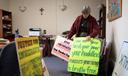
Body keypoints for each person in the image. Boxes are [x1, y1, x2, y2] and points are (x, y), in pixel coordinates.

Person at [67, 5, 100, 76]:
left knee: (85, 56)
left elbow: (97, 30)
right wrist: (68, 37)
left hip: (87, 40)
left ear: (89, 13)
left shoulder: (93, 19)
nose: (85, 15)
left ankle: (85, 71)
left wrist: (90, 36)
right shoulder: (78, 18)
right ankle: (75, 70)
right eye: (83, 13)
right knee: (76, 56)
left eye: (86, 14)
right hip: (79, 40)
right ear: (82, 12)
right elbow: (73, 29)